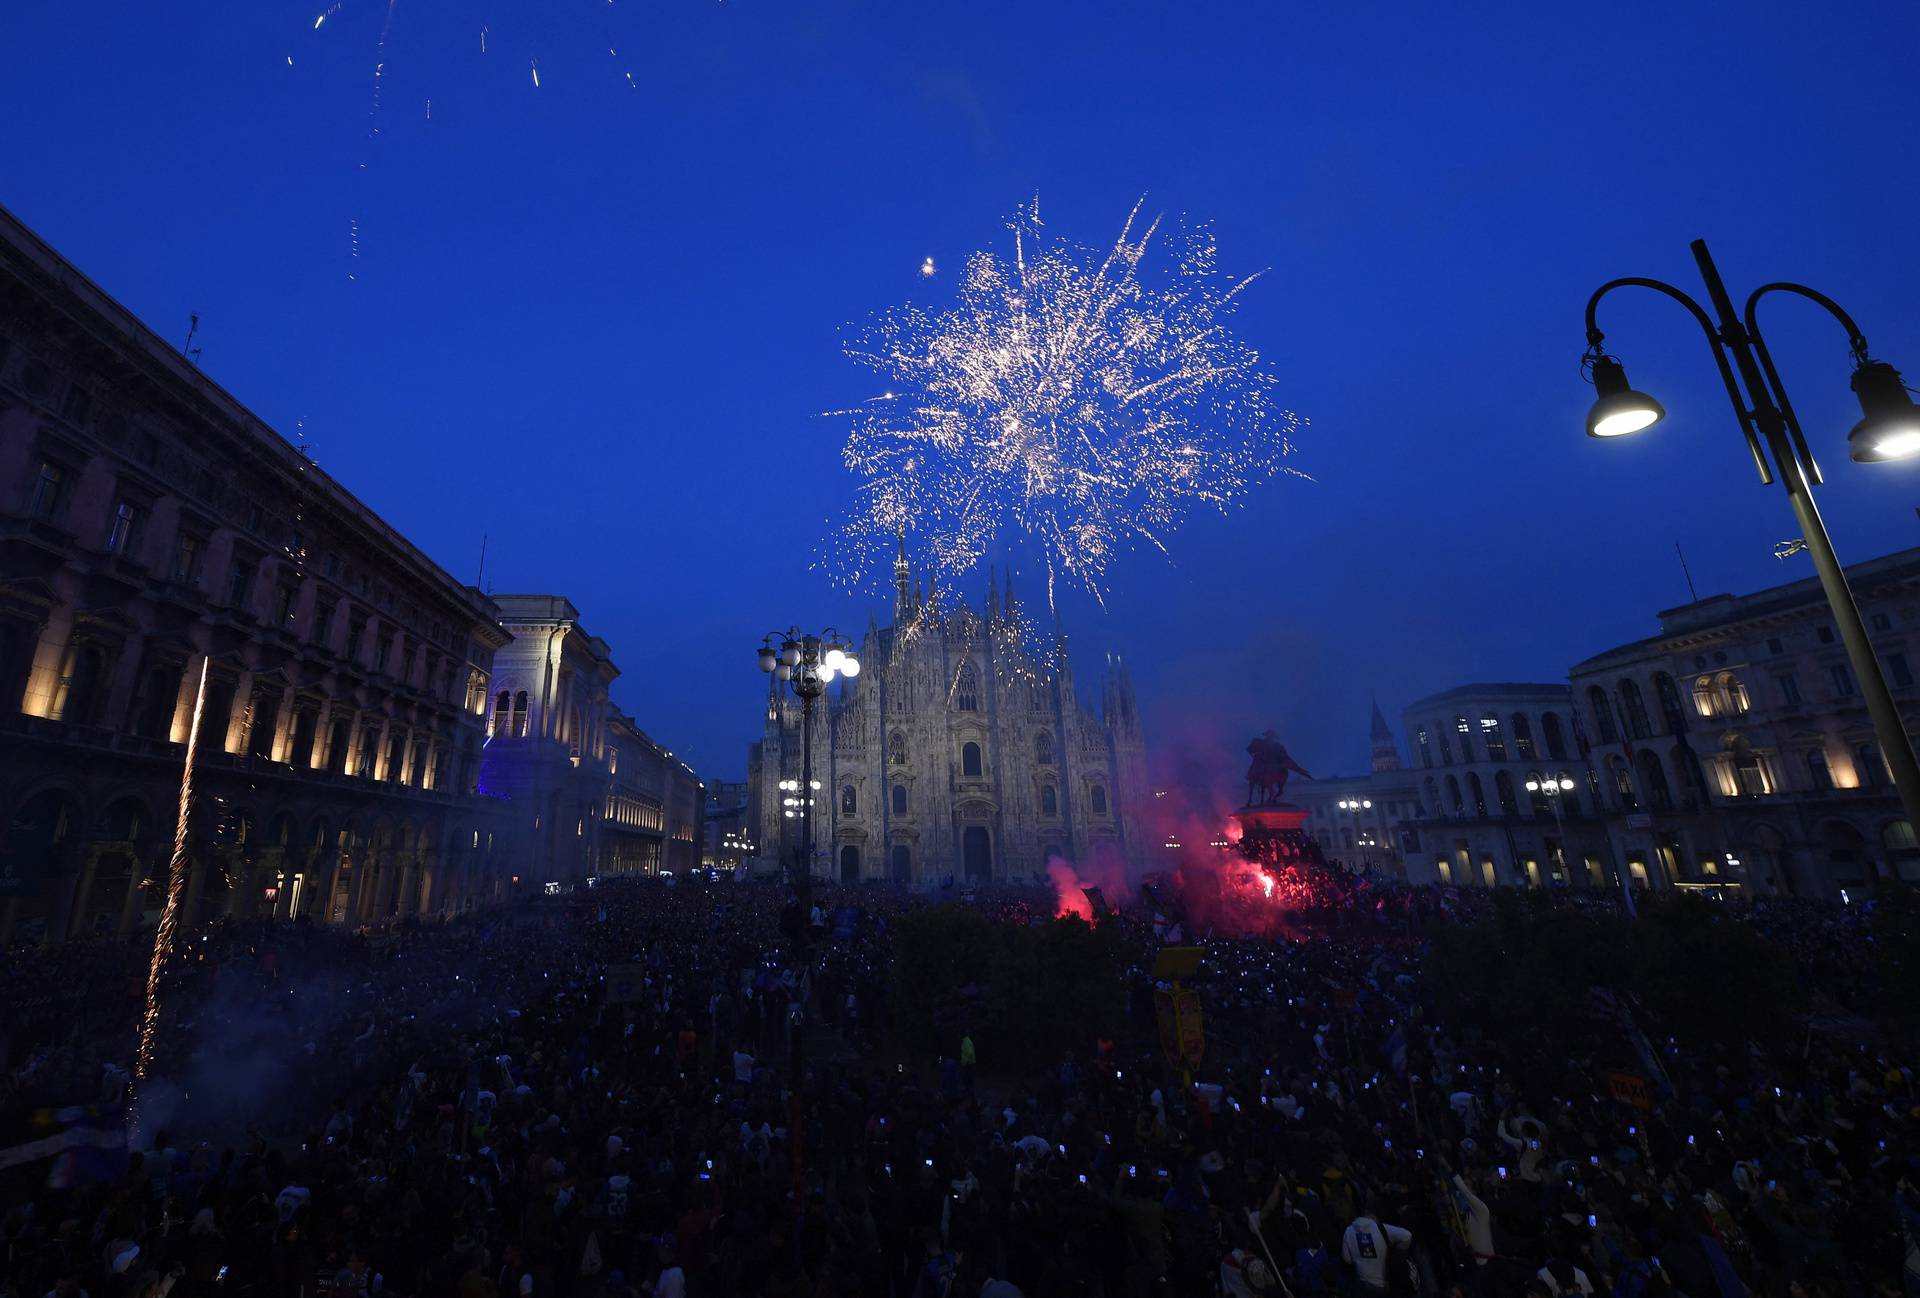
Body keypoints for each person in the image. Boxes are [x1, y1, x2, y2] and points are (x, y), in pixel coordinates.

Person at [1341, 1205, 1412, 1295]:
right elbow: (1407, 1236)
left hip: (1362, 1284)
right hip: (1383, 1284)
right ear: (1373, 1215)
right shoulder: (1380, 1228)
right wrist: (1398, 1253)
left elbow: (1347, 1259)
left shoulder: (1348, 1231)